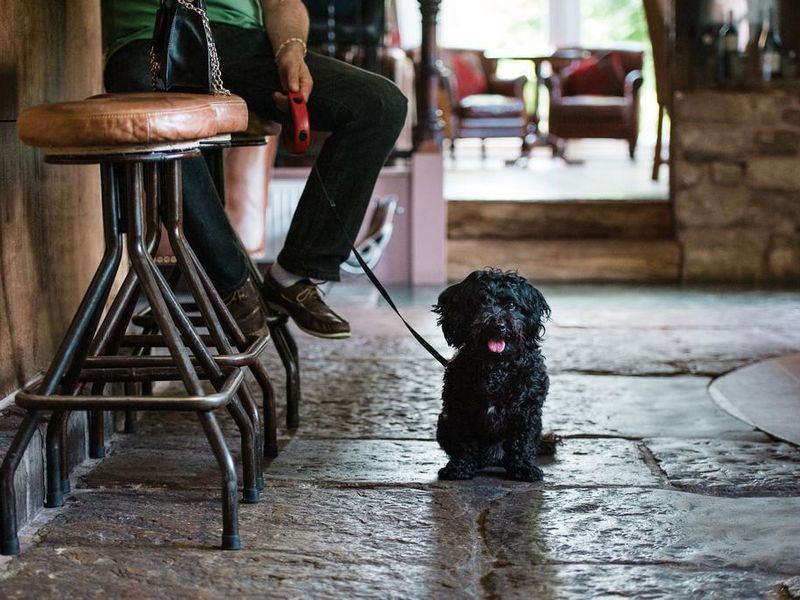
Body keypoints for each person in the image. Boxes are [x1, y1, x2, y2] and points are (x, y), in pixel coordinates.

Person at [101, 0, 408, 339]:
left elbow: (281, 3)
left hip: (238, 44)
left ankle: (296, 273)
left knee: (380, 105)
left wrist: (290, 52)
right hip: (148, 42)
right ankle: (234, 285)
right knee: (156, 118)